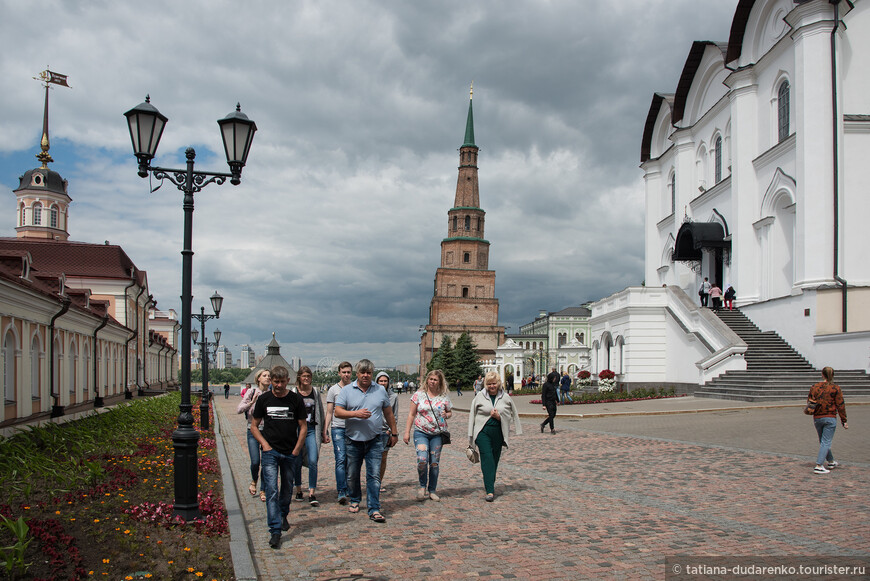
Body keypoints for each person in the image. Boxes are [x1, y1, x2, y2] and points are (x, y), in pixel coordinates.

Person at [334, 359, 399, 523]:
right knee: (352, 474)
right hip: (353, 440)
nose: (365, 375)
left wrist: (394, 432)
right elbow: (338, 412)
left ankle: (374, 508)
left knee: (374, 475)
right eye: (362, 372)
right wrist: (355, 414)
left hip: (375, 439)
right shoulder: (347, 390)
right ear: (357, 374)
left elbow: (388, 413)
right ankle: (355, 499)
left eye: (369, 373)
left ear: (372, 374)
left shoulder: (380, 390)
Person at [250, 366, 307, 549]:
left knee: (287, 489)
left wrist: (297, 449)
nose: (279, 385)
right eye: (276, 382)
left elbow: (303, 426)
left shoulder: (295, 399)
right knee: (272, 490)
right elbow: (254, 426)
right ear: (271, 381)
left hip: (290, 451)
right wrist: (265, 445)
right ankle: (274, 530)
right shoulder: (264, 399)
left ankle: (283, 514)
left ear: (288, 380)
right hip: (270, 452)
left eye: (283, 382)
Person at [468, 371, 522, 502]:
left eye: (494, 383)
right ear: (486, 384)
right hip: (483, 432)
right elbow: (472, 415)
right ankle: (490, 490)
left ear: (498, 384)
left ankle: (490, 481)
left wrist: (500, 417)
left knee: (495, 459)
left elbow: (512, 413)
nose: (492, 386)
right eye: (489, 384)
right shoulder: (480, 396)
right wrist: (471, 436)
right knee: (487, 458)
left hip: (498, 432)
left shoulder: (505, 397)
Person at [403, 369, 453, 502]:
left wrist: (446, 415)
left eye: (435, 379)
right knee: (422, 460)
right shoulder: (418, 395)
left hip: (437, 434)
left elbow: (450, 413)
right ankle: (421, 486)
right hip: (421, 432)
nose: (432, 381)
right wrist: (407, 432)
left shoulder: (443, 397)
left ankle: (432, 490)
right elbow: (411, 414)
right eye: (431, 379)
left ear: (439, 382)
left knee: (434, 463)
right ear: (427, 380)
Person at [291, 366, 325, 507]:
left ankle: (312, 492)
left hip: (311, 429)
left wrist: (323, 431)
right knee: (297, 461)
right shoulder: (293, 392)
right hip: (297, 430)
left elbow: (321, 411)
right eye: (304, 376)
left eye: (308, 376)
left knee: (313, 459)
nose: (306, 379)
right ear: (299, 377)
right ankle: (299, 489)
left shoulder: (315, 392)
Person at [237, 369, 272, 502]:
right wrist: (252, 403)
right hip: (253, 430)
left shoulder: (272, 394)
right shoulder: (251, 392)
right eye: (264, 376)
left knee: (266, 462)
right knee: (255, 461)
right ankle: (254, 480)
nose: (267, 378)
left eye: (269, 376)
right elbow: (239, 409)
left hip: (267, 432)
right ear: (258, 379)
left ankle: (263, 489)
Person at [808, 367, 848, 474]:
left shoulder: (815, 387)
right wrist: (844, 420)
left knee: (823, 441)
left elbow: (810, 401)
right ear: (833, 375)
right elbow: (840, 405)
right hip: (830, 417)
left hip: (817, 417)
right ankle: (819, 465)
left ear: (822, 374)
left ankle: (830, 461)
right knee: (826, 441)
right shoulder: (835, 388)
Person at [323, 361, 353, 505]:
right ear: (339, 373)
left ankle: (348, 487)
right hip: (338, 428)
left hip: (353, 428)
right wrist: (325, 430)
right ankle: (341, 490)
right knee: (340, 459)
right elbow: (329, 412)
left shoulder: (355, 388)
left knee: (350, 460)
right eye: (344, 372)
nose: (346, 375)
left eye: (348, 372)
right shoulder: (333, 390)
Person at [375, 372, 399, 492]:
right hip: (374, 431)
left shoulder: (393, 397)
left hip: (386, 431)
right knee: (373, 458)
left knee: (383, 458)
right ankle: (372, 482)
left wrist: (391, 431)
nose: (383, 383)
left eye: (385, 381)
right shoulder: (373, 394)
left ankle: (378, 482)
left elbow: (394, 415)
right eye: (381, 381)